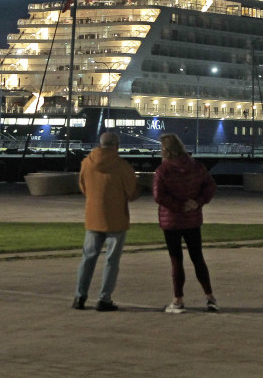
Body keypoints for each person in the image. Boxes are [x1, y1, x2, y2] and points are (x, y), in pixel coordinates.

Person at [73, 131, 140, 312]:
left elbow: (83, 186)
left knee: (88, 259)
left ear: (100, 144)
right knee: (111, 261)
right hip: (116, 219)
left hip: (93, 217)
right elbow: (132, 193)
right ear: (116, 146)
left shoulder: (86, 163)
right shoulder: (122, 166)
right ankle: (104, 299)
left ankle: (79, 297)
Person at [152, 132, 218, 313]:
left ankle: (178, 300)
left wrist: (178, 206)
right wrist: (197, 202)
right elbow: (210, 186)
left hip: (172, 220)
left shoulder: (163, 171)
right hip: (193, 218)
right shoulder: (197, 166)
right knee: (198, 258)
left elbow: (158, 196)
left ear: (164, 150)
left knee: (176, 260)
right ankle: (210, 297)